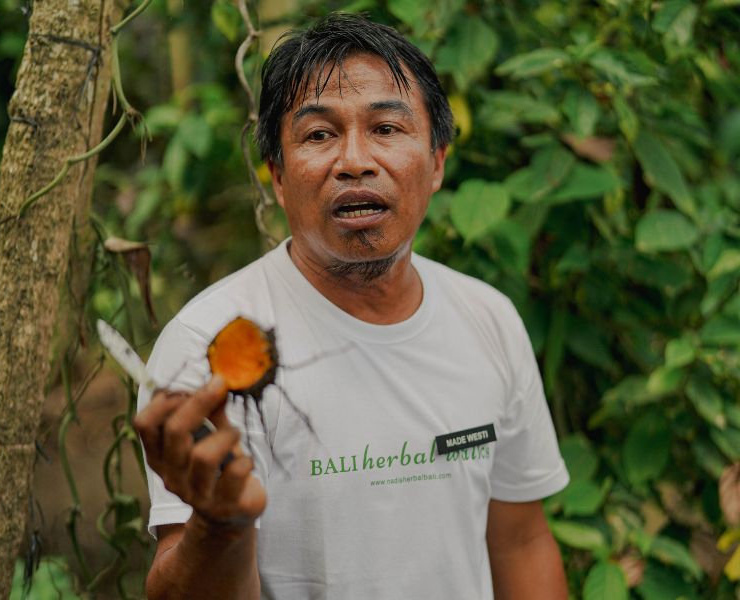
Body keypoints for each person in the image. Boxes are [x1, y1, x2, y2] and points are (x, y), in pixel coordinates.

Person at [134, 13, 570, 600]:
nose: (355, 160)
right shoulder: (207, 347)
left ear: (436, 162)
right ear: (279, 177)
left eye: (387, 128)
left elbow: (520, 542)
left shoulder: (487, 317)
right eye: (319, 135)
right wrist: (219, 526)